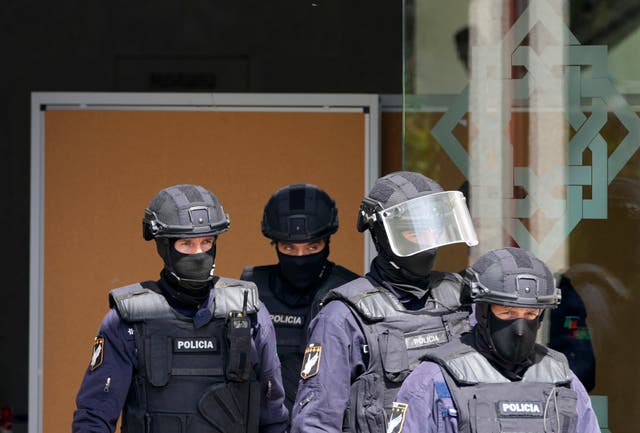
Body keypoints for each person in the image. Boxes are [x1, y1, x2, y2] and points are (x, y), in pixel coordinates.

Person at [71, 184, 288, 433]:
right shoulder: (128, 320)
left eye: (206, 242)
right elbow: (95, 417)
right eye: (186, 244)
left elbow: (273, 418)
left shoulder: (250, 313)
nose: (198, 253)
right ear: (164, 246)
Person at [290, 171, 479, 433]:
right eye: (414, 234)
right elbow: (316, 421)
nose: (427, 244)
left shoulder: (461, 299)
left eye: (432, 231)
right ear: (383, 236)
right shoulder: (344, 316)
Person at [390, 247, 599, 433]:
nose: (519, 329)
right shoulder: (434, 380)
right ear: (482, 312)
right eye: (508, 312)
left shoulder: (562, 379)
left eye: (529, 314)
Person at [240, 183, 359, 411]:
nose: (300, 257)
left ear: (327, 243)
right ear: (275, 245)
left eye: (312, 248)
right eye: (289, 248)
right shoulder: (253, 289)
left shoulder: (351, 290)